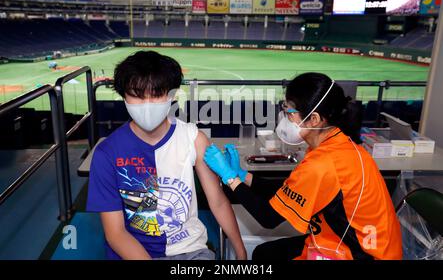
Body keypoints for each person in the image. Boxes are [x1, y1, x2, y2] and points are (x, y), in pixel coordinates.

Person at [204, 72, 403, 260]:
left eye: (290, 112)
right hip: (349, 241)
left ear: (314, 119)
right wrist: (243, 175)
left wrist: (230, 177)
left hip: (360, 254)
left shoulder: (324, 162)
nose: (285, 118)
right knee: (266, 253)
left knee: (265, 255)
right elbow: (289, 191)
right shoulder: (335, 143)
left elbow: (269, 218)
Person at [87, 51, 246, 260]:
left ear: (171, 95)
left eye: (156, 94)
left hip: (189, 250)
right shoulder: (107, 153)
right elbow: (116, 234)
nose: (147, 104)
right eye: (136, 95)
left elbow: (217, 201)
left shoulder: (193, 139)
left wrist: (241, 253)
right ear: (123, 96)